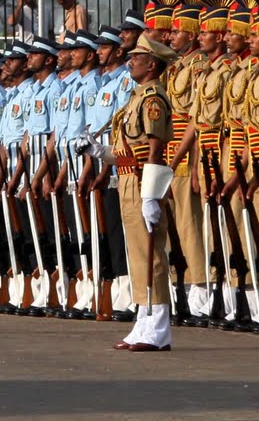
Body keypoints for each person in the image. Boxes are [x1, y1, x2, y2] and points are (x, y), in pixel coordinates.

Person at [112, 34, 177, 351]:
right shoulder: (136, 97)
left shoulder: (153, 100)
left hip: (142, 181)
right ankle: (143, 323)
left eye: (137, 57)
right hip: (127, 177)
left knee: (152, 257)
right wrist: (101, 153)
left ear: (152, 64)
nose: (130, 60)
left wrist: (151, 195)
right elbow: (129, 149)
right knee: (138, 256)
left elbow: (154, 150)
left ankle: (159, 330)